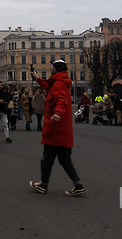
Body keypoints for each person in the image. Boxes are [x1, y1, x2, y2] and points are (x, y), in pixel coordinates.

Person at [29, 60, 85, 196]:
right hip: (63, 129)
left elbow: (62, 100)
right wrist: (37, 79)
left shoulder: (58, 83)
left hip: (56, 129)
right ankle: (78, 185)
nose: (51, 69)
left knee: (47, 158)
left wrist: (57, 113)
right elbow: (48, 87)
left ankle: (43, 184)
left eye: (52, 68)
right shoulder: (59, 82)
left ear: (56, 69)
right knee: (64, 159)